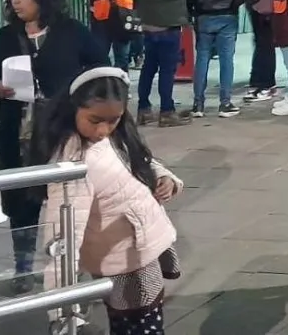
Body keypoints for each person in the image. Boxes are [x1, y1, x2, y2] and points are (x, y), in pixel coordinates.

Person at [0, 0, 107, 293]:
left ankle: (83, 264)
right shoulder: (4, 38)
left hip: (63, 132)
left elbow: (99, 66)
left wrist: (83, 99)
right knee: (21, 201)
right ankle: (23, 268)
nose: (14, 1)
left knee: (72, 200)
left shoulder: (71, 32)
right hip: (16, 133)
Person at [33, 67, 182, 334]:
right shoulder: (74, 162)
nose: (103, 130)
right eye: (95, 120)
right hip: (123, 261)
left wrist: (165, 178)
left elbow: (138, 161)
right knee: (138, 325)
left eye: (113, 120)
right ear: (73, 108)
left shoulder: (117, 135)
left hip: (139, 249)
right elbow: (61, 237)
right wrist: (61, 308)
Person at [132, 0, 202, 127]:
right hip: (167, 20)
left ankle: (143, 109)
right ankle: (166, 111)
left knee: (149, 67)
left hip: (148, 20)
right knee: (167, 68)